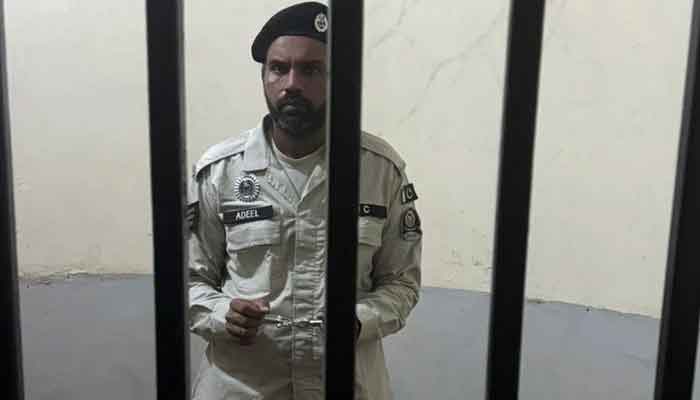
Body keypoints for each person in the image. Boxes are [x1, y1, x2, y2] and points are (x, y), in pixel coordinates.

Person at [187, 2, 422, 399]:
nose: (292, 83)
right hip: (240, 390)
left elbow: (402, 283)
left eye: (311, 70)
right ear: (264, 77)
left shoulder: (379, 172)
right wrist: (221, 313)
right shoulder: (220, 172)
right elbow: (190, 280)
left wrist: (359, 320)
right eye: (279, 68)